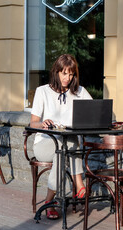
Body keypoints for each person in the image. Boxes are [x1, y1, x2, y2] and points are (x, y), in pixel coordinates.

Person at [30, 54, 92, 219]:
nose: (67, 78)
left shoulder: (80, 91)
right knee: (66, 143)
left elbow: (93, 111)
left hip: (65, 146)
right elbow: (32, 123)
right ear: (56, 72)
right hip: (44, 143)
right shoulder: (42, 91)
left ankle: (50, 203)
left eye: (71, 74)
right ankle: (79, 183)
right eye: (64, 73)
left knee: (63, 150)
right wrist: (42, 124)